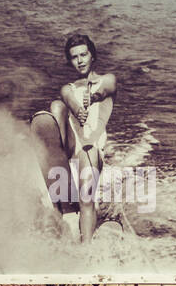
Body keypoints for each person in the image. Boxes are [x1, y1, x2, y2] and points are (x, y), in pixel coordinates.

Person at [35, 32, 116, 242]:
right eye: (74, 57)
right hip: (71, 141)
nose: (80, 60)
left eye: (83, 54)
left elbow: (107, 89)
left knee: (86, 200)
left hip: (91, 148)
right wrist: (77, 108)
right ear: (70, 61)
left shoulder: (107, 79)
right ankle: (58, 163)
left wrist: (95, 95)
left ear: (92, 55)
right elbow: (69, 99)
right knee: (56, 106)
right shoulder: (68, 88)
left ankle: (86, 247)